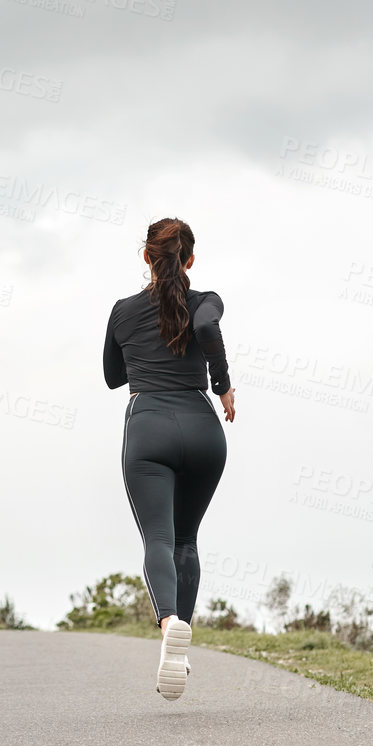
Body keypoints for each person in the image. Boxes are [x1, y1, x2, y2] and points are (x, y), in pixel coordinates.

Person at [101, 218, 234, 700]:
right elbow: (205, 326)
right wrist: (223, 385)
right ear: (190, 260)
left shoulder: (122, 310)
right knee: (187, 540)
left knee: (158, 537)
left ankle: (169, 624)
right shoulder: (206, 301)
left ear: (146, 258)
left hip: (149, 426)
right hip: (203, 429)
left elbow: (113, 377)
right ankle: (178, 644)